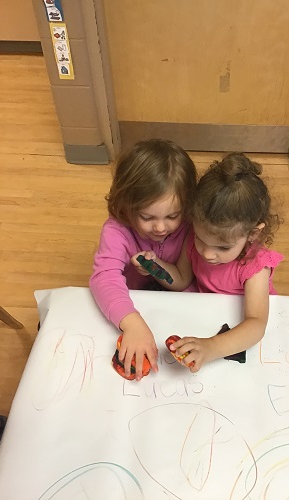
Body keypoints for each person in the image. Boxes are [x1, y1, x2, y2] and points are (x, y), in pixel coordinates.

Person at [132, 152, 283, 372]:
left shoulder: (255, 266)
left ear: (252, 234)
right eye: (201, 239)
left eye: (223, 247)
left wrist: (210, 347)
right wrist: (154, 267)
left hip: (233, 335)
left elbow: (256, 324)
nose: (207, 254)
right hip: (200, 312)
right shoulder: (194, 239)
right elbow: (182, 279)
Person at [90, 139, 197, 380]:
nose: (160, 227)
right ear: (126, 206)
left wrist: (156, 267)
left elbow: (181, 280)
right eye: (147, 217)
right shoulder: (117, 229)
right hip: (131, 302)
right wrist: (132, 323)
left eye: (172, 216)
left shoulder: (189, 225)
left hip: (175, 306)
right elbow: (103, 277)